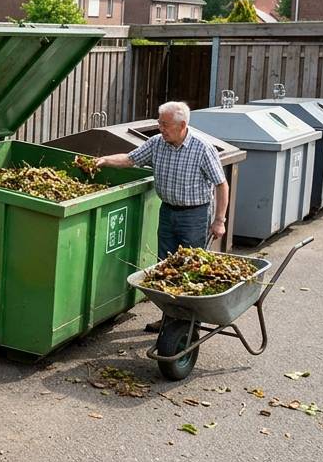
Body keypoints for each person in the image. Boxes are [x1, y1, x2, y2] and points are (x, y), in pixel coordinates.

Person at [95, 101, 229, 330]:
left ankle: (189, 324)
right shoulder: (157, 143)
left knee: (190, 268)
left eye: (165, 124)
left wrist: (219, 221)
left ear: (182, 125)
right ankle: (169, 318)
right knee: (165, 267)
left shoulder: (202, 148)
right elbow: (130, 159)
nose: (161, 128)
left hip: (194, 216)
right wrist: (105, 160)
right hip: (167, 212)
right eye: (159, 123)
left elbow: (221, 185)